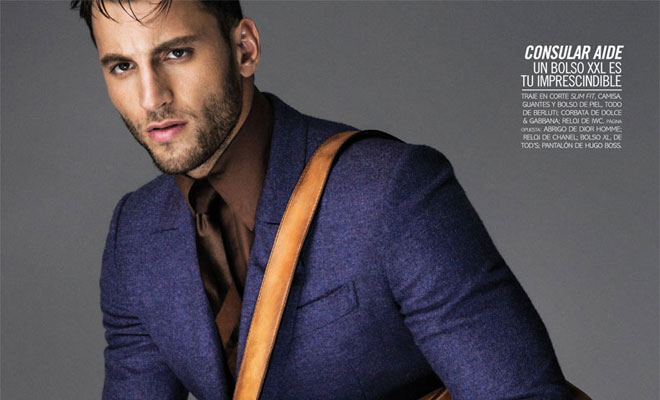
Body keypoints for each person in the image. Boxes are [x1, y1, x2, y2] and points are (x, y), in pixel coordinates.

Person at [71, 1, 571, 399]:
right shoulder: (134, 235)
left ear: (244, 49)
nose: (151, 97)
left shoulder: (390, 189)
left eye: (176, 54)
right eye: (122, 66)